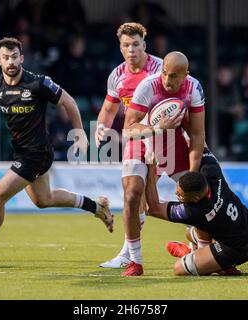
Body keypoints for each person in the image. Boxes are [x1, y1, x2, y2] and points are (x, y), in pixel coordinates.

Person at [0, 37, 113, 262]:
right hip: (21, 152)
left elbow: (69, 102)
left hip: (37, 154)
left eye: (15, 57)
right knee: (43, 200)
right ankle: (96, 206)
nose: (11, 61)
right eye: (6, 58)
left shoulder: (38, 83)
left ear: (22, 58)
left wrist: (79, 133)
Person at [122, 51, 206, 276]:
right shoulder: (148, 86)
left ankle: (198, 245)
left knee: (203, 196)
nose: (168, 81)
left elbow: (197, 136)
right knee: (132, 195)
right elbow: (128, 128)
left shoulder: (194, 88)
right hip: (142, 139)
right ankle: (134, 261)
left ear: (185, 75)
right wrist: (157, 129)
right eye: (165, 74)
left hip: (173, 141)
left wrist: (191, 176)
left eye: (174, 76)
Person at [94, 23, 162, 273]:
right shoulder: (117, 75)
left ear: (144, 44)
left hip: (166, 139)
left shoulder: (160, 68)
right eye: (126, 45)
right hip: (135, 138)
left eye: (136, 44)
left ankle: (201, 240)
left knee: (169, 196)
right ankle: (130, 256)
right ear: (120, 47)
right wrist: (101, 126)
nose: (131, 49)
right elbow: (110, 108)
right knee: (133, 194)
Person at [144, 149, 248, 276]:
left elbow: (154, 209)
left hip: (240, 249)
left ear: (195, 199)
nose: (176, 195)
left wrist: (151, 169)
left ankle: (199, 257)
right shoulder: (212, 172)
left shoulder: (195, 211)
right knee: (190, 233)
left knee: (179, 268)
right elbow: (200, 147)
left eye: (180, 196)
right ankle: (206, 258)